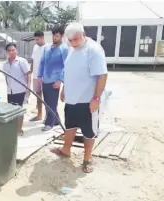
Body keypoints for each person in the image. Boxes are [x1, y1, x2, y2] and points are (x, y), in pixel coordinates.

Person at [51, 22, 108, 173]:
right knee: (70, 126)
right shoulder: (72, 48)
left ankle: (87, 159)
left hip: (87, 100)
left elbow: (102, 75)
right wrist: (64, 89)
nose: (72, 43)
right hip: (71, 98)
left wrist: (96, 98)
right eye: (69, 40)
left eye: (75, 39)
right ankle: (66, 150)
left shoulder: (94, 50)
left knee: (89, 131)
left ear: (83, 34)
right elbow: (69, 71)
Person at [38, 26, 69, 131]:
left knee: (52, 102)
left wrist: (60, 79)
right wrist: (39, 76)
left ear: (61, 36)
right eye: (53, 35)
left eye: (57, 36)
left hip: (55, 80)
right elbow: (42, 62)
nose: (55, 38)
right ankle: (56, 120)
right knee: (47, 101)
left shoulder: (64, 49)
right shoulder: (47, 48)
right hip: (45, 79)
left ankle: (49, 123)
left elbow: (66, 66)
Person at [2, 43, 30, 136]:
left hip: (20, 90)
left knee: (19, 110)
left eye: (13, 50)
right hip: (10, 91)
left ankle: (19, 129)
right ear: (6, 52)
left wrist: (28, 88)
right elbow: (6, 77)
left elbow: (27, 74)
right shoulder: (5, 64)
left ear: (16, 50)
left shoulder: (21, 61)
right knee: (11, 110)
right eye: (9, 50)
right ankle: (13, 129)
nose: (11, 52)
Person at [29, 31, 47, 122]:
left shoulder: (47, 48)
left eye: (38, 39)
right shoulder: (35, 47)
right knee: (38, 96)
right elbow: (33, 59)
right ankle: (39, 115)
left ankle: (49, 117)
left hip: (45, 77)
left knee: (47, 98)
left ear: (42, 37)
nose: (36, 41)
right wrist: (31, 70)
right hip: (35, 76)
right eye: (35, 39)